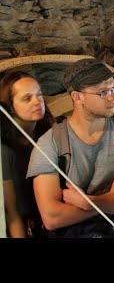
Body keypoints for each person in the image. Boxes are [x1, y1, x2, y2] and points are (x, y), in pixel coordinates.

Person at [26, 58, 114, 238]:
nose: (113, 97)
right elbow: (52, 217)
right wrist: (110, 200)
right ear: (77, 97)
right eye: (103, 92)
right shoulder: (51, 143)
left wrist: (89, 202)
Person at [0, 71, 54, 237]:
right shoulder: (4, 149)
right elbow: (11, 213)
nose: (37, 102)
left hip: (53, 223)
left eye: (39, 95)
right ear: (9, 106)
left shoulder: (53, 136)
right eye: (27, 98)